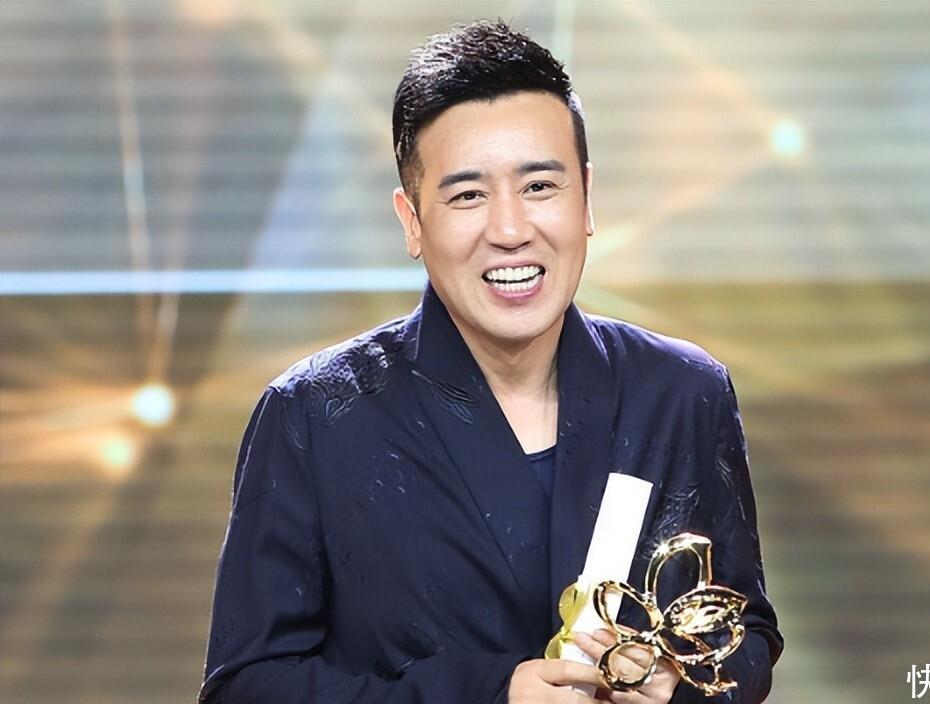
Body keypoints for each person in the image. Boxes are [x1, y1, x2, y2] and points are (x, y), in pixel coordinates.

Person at [200, 19, 780, 704]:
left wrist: (675, 684)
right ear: (411, 220)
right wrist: (487, 694)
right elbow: (247, 686)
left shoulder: (682, 393)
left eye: (539, 187)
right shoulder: (314, 416)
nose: (509, 230)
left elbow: (744, 632)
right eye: (468, 195)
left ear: (586, 198)